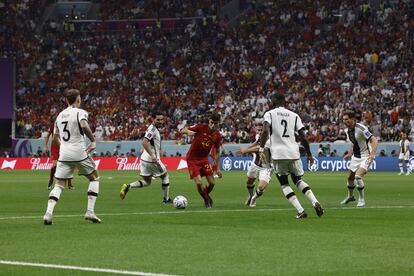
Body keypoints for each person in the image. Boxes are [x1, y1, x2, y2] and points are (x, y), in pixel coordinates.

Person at [259, 93, 324, 219]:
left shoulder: (269, 114)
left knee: (284, 183)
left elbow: (265, 131)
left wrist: (261, 149)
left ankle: (301, 211)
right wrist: (309, 155)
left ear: (273, 102)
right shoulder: (294, 115)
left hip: (278, 154)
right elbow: (303, 137)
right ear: (285, 102)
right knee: (298, 180)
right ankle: (315, 202)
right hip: (293, 152)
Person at [43, 89, 101, 225]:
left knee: (59, 184)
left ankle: (48, 213)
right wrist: (93, 140)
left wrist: (64, 146)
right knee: (94, 178)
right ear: (78, 100)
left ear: (66, 100)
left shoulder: (60, 115)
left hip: (64, 154)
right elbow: (84, 125)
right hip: (79, 152)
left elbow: (55, 138)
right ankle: (90, 211)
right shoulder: (80, 112)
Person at [119, 112, 172, 203]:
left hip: (144, 159)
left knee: (147, 182)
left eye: (161, 119)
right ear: (153, 119)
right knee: (165, 176)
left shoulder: (151, 128)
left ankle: (128, 186)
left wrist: (145, 150)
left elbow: (146, 141)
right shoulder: (153, 129)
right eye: (158, 119)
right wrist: (152, 155)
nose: (160, 121)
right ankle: (166, 199)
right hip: (152, 160)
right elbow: (144, 142)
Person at [181, 113, 222, 208]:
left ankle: (205, 195)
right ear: (209, 120)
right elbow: (183, 130)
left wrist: (217, 168)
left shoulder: (217, 135)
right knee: (199, 182)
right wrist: (188, 132)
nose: (213, 125)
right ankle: (206, 200)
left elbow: (217, 151)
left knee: (212, 183)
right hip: (192, 159)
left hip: (204, 160)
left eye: (215, 123)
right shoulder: (200, 127)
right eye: (212, 122)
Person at [341, 110, 378, 207]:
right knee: (350, 178)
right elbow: (354, 144)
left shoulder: (361, 128)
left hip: (366, 156)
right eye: (343, 119)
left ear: (353, 119)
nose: (344, 121)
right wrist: (349, 154)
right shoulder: (347, 130)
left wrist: (372, 154)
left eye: (346, 119)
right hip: (355, 157)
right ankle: (351, 196)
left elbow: (374, 140)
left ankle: (362, 200)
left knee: (358, 176)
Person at [235, 121, 272, 207]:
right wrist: (247, 147)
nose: (259, 132)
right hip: (255, 164)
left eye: (261, 130)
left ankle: (254, 198)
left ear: (265, 130)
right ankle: (251, 195)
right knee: (249, 182)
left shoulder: (270, 139)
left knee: (261, 187)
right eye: (258, 129)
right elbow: (256, 142)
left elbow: (259, 148)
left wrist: (245, 151)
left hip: (267, 167)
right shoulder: (259, 136)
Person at [43, 116, 73, 190]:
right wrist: (45, 146)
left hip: (65, 146)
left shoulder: (67, 125)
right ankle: (51, 180)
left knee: (69, 164)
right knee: (55, 165)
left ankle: (69, 183)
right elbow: (47, 136)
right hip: (55, 147)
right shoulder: (53, 125)